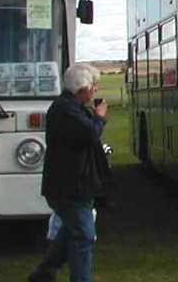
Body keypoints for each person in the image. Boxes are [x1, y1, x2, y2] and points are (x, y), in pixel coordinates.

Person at [29, 64, 110, 282]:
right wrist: (100, 117)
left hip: (72, 185)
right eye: (93, 86)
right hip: (69, 187)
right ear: (82, 88)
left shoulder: (70, 107)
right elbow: (90, 133)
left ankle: (44, 273)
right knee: (84, 236)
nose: (95, 90)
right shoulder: (66, 110)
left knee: (71, 230)